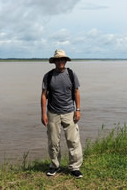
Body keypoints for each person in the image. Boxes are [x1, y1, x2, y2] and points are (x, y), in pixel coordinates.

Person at [40, 49, 83, 178]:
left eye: (62, 59)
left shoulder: (71, 74)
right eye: (57, 60)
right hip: (52, 113)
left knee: (73, 141)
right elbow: (43, 95)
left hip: (70, 112)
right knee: (53, 142)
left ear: (65, 61)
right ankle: (54, 166)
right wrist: (43, 114)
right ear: (54, 62)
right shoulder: (48, 76)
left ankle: (75, 167)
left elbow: (76, 92)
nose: (60, 62)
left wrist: (78, 110)